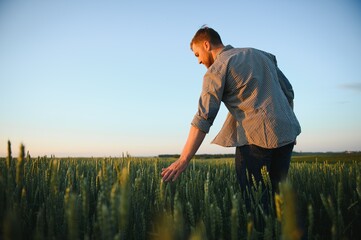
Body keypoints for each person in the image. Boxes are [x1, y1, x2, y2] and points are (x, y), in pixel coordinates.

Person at [161, 26, 301, 206]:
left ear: (206, 44)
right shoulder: (261, 55)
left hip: (255, 139)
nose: (198, 61)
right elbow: (288, 91)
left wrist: (183, 159)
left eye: (197, 55)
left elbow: (204, 117)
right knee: (279, 197)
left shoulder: (218, 69)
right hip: (286, 133)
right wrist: (287, 127)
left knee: (256, 202)